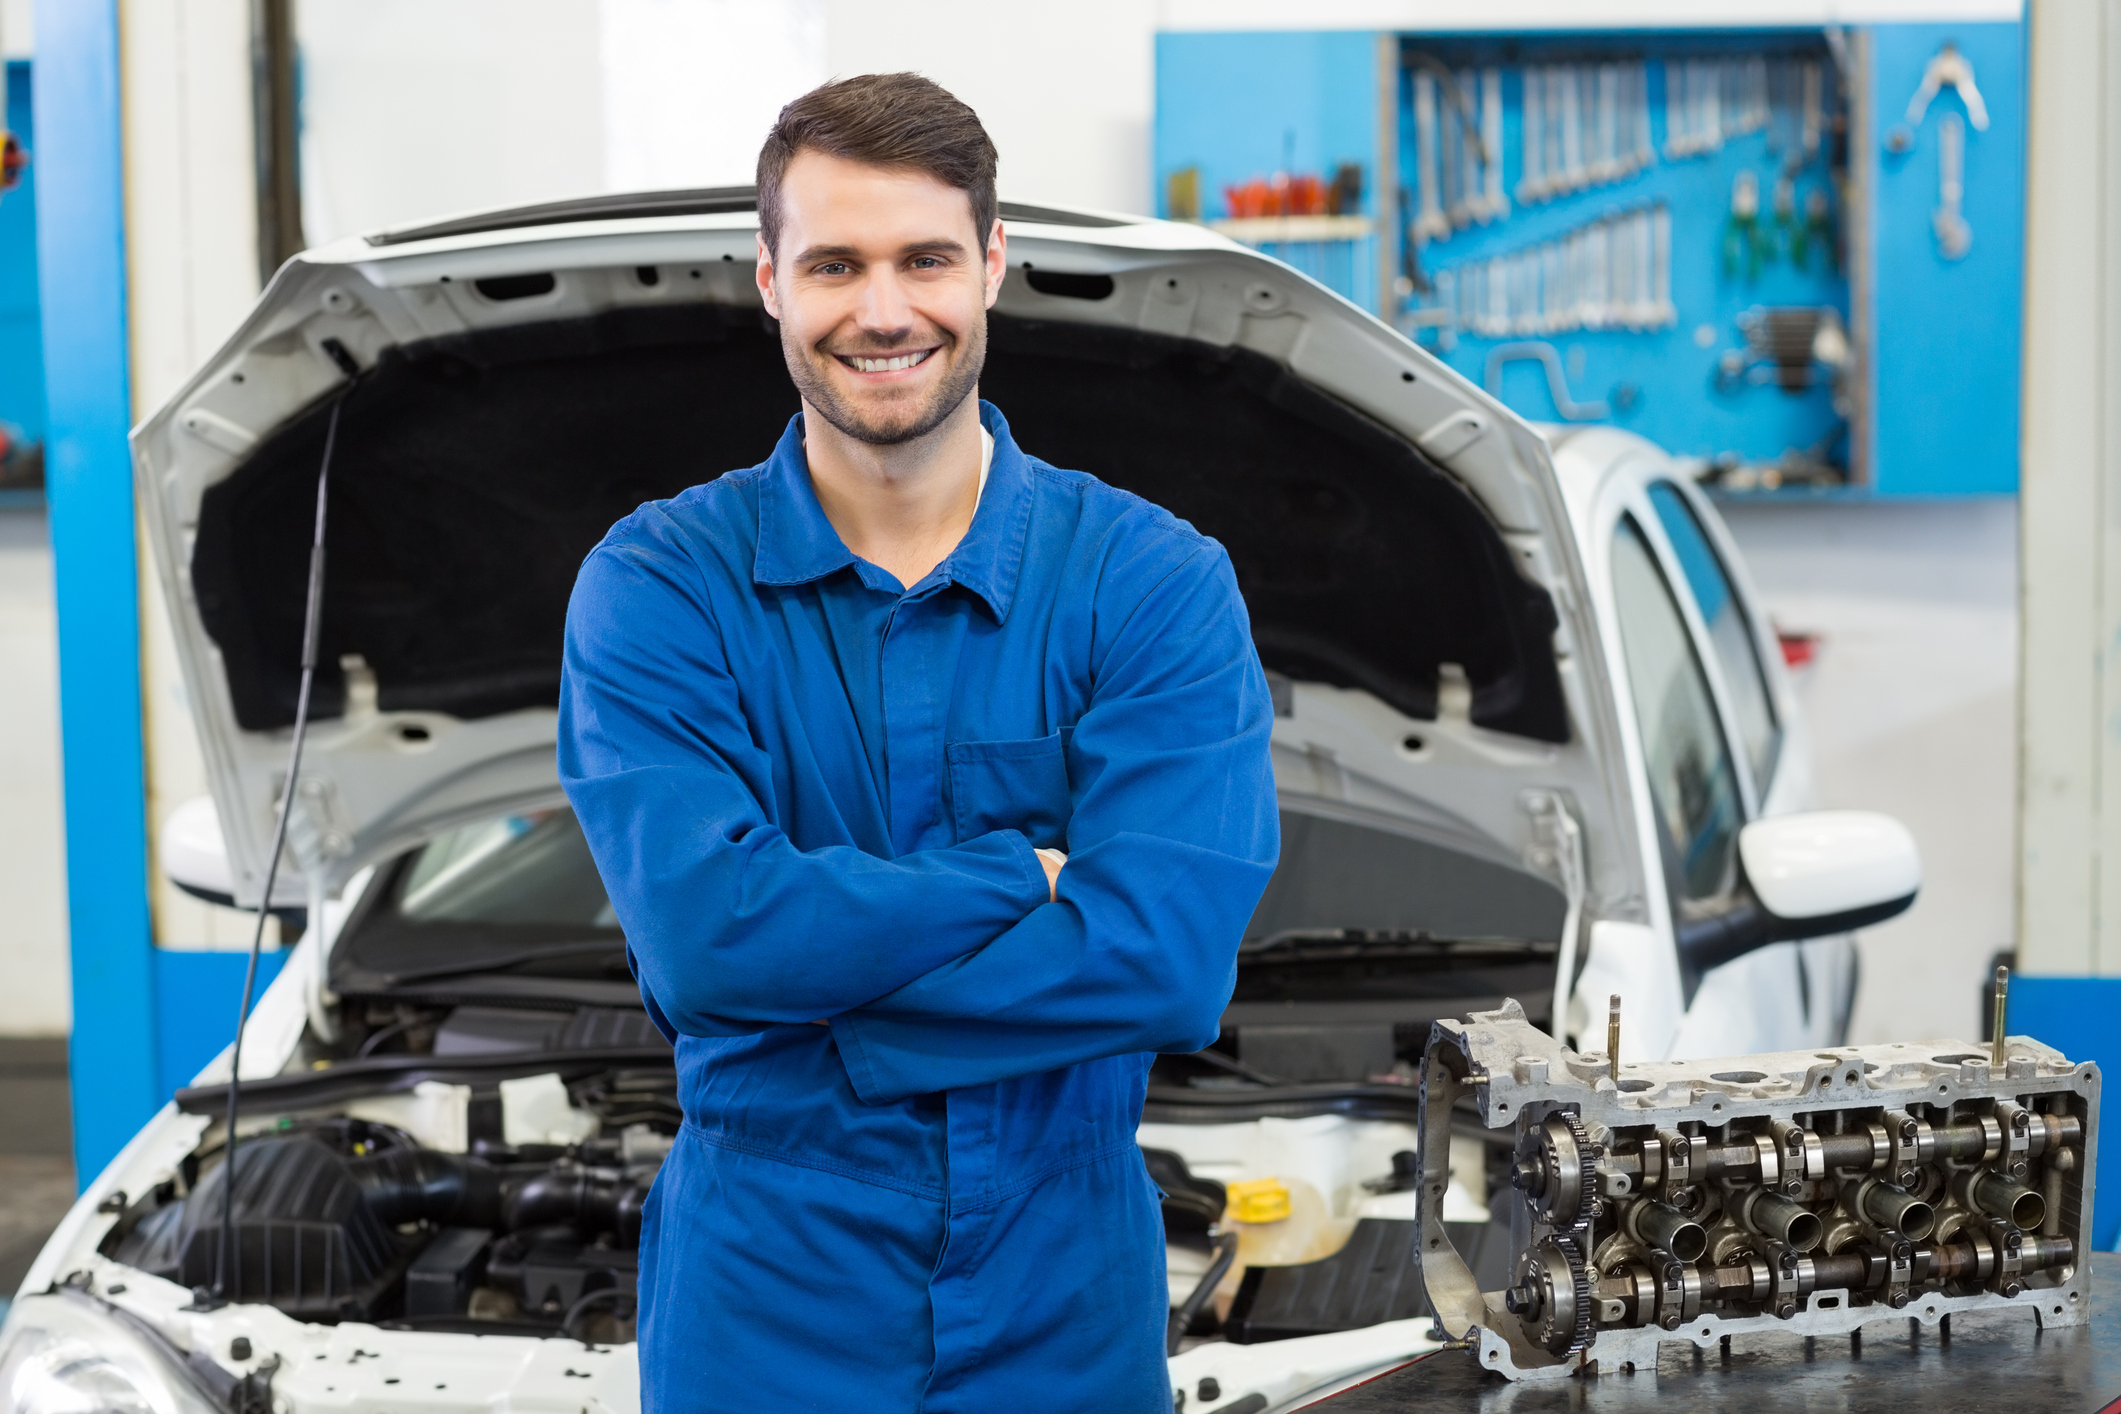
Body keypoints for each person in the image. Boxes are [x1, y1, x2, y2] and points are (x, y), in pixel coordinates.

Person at [558, 73, 1279, 1412]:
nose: (882, 310)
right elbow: (707, 937)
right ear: (769, 278)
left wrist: (835, 1027)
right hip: (767, 1284)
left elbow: (1171, 963)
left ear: (992, 265)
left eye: (924, 259)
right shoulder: (660, 583)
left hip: (1064, 1284)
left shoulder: (1151, 580)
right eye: (834, 262)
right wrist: (1026, 878)